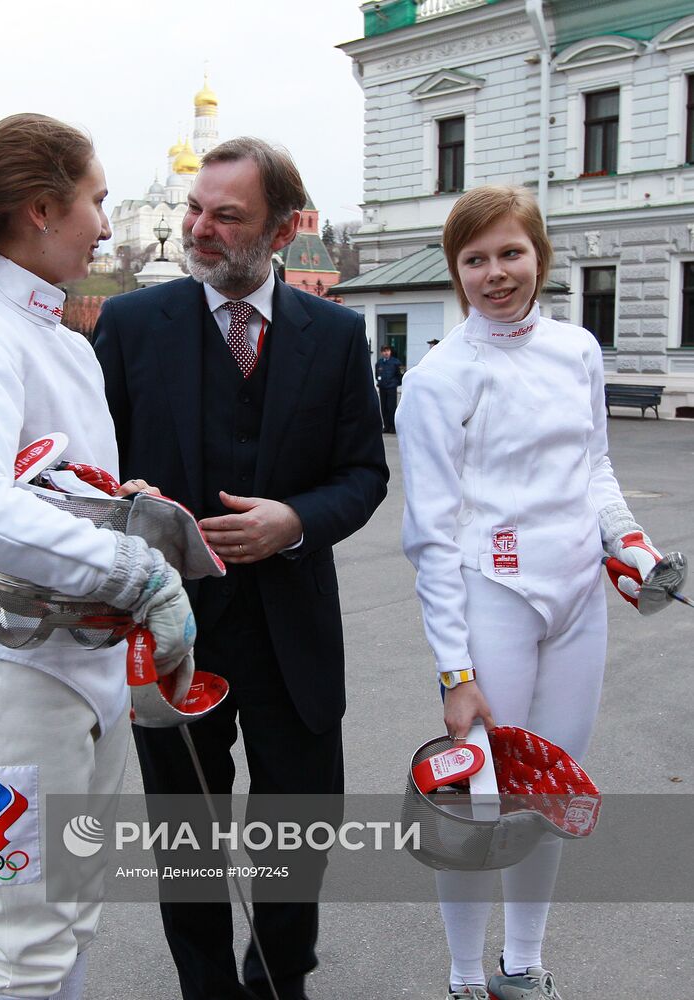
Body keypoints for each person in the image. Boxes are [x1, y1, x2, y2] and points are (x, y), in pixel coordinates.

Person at [0, 113, 195, 1000]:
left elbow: (51, 481)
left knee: (70, 918)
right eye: (97, 202)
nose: (108, 225)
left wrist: (123, 510)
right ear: (41, 208)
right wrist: (132, 570)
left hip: (90, 681)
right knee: (22, 946)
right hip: (14, 695)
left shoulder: (61, 340)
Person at [94, 136, 388, 1000]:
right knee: (185, 830)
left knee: (301, 825)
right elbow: (92, 469)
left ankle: (278, 976)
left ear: (285, 228)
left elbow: (364, 474)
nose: (201, 229)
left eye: (228, 216)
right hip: (174, 631)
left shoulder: (335, 335)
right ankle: (206, 987)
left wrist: (298, 519)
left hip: (293, 630)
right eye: (195, 210)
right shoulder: (131, 324)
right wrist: (124, 503)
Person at [395, 185, 664, 1000]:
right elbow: (431, 537)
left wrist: (630, 541)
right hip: (494, 599)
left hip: (578, 595)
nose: (495, 273)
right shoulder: (439, 379)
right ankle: (464, 974)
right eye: (474, 260)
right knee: (481, 801)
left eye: (510, 253)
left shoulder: (578, 349)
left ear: (539, 256)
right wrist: (455, 671)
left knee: (552, 789)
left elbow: (594, 468)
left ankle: (523, 964)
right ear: (457, 272)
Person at [375, 343, 404, 433]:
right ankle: (386, 426)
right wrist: (380, 382)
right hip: (383, 387)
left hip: (391, 387)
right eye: (384, 351)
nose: (386, 353)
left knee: (391, 407)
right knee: (383, 407)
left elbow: (401, 374)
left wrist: (396, 383)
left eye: (387, 351)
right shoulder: (379, 363)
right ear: (381, 352)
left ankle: (392, 426)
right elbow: (377, 374)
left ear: (390, 352)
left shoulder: (396, 362)